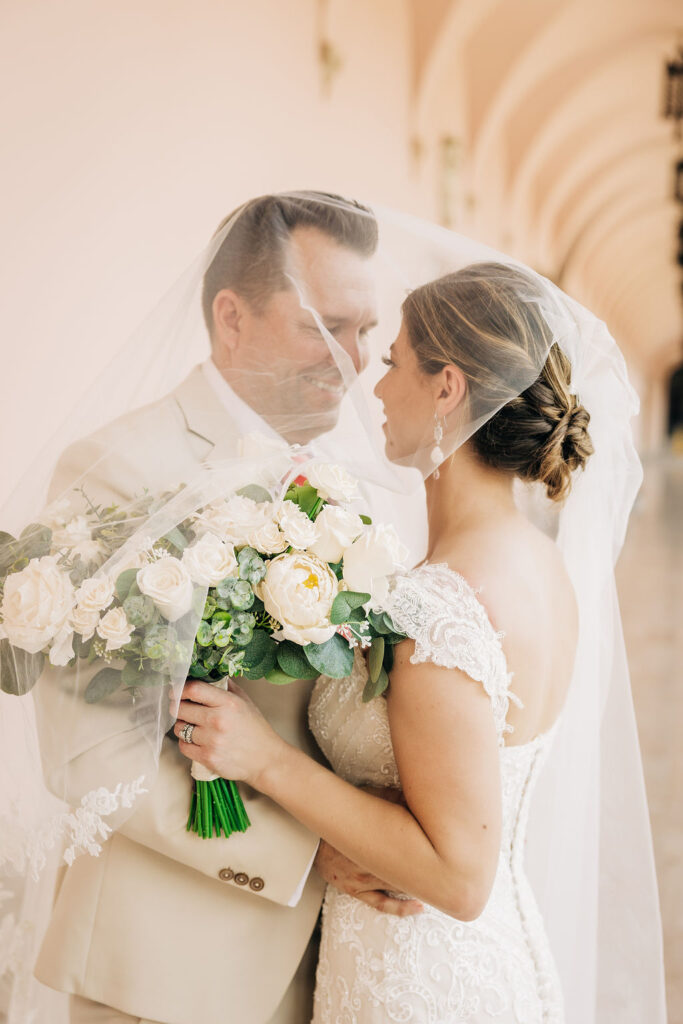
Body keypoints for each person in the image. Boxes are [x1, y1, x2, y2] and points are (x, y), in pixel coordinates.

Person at [172, 263, 605, 1022]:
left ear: (446, 389)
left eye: (392, 362)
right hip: (484, 959)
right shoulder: (535, 563)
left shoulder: (439, 601)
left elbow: (457, 875)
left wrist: (262, 758)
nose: (374, 389)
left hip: (416, 978)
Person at [30, 192, 420, 1024]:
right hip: (168, 973)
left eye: (365, 333)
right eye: (324, 326)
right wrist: (315, 849)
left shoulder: (357, 479)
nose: (353, 362)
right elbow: (90, 758)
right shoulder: (116, 471)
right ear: (231, 317)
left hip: (341, 962)